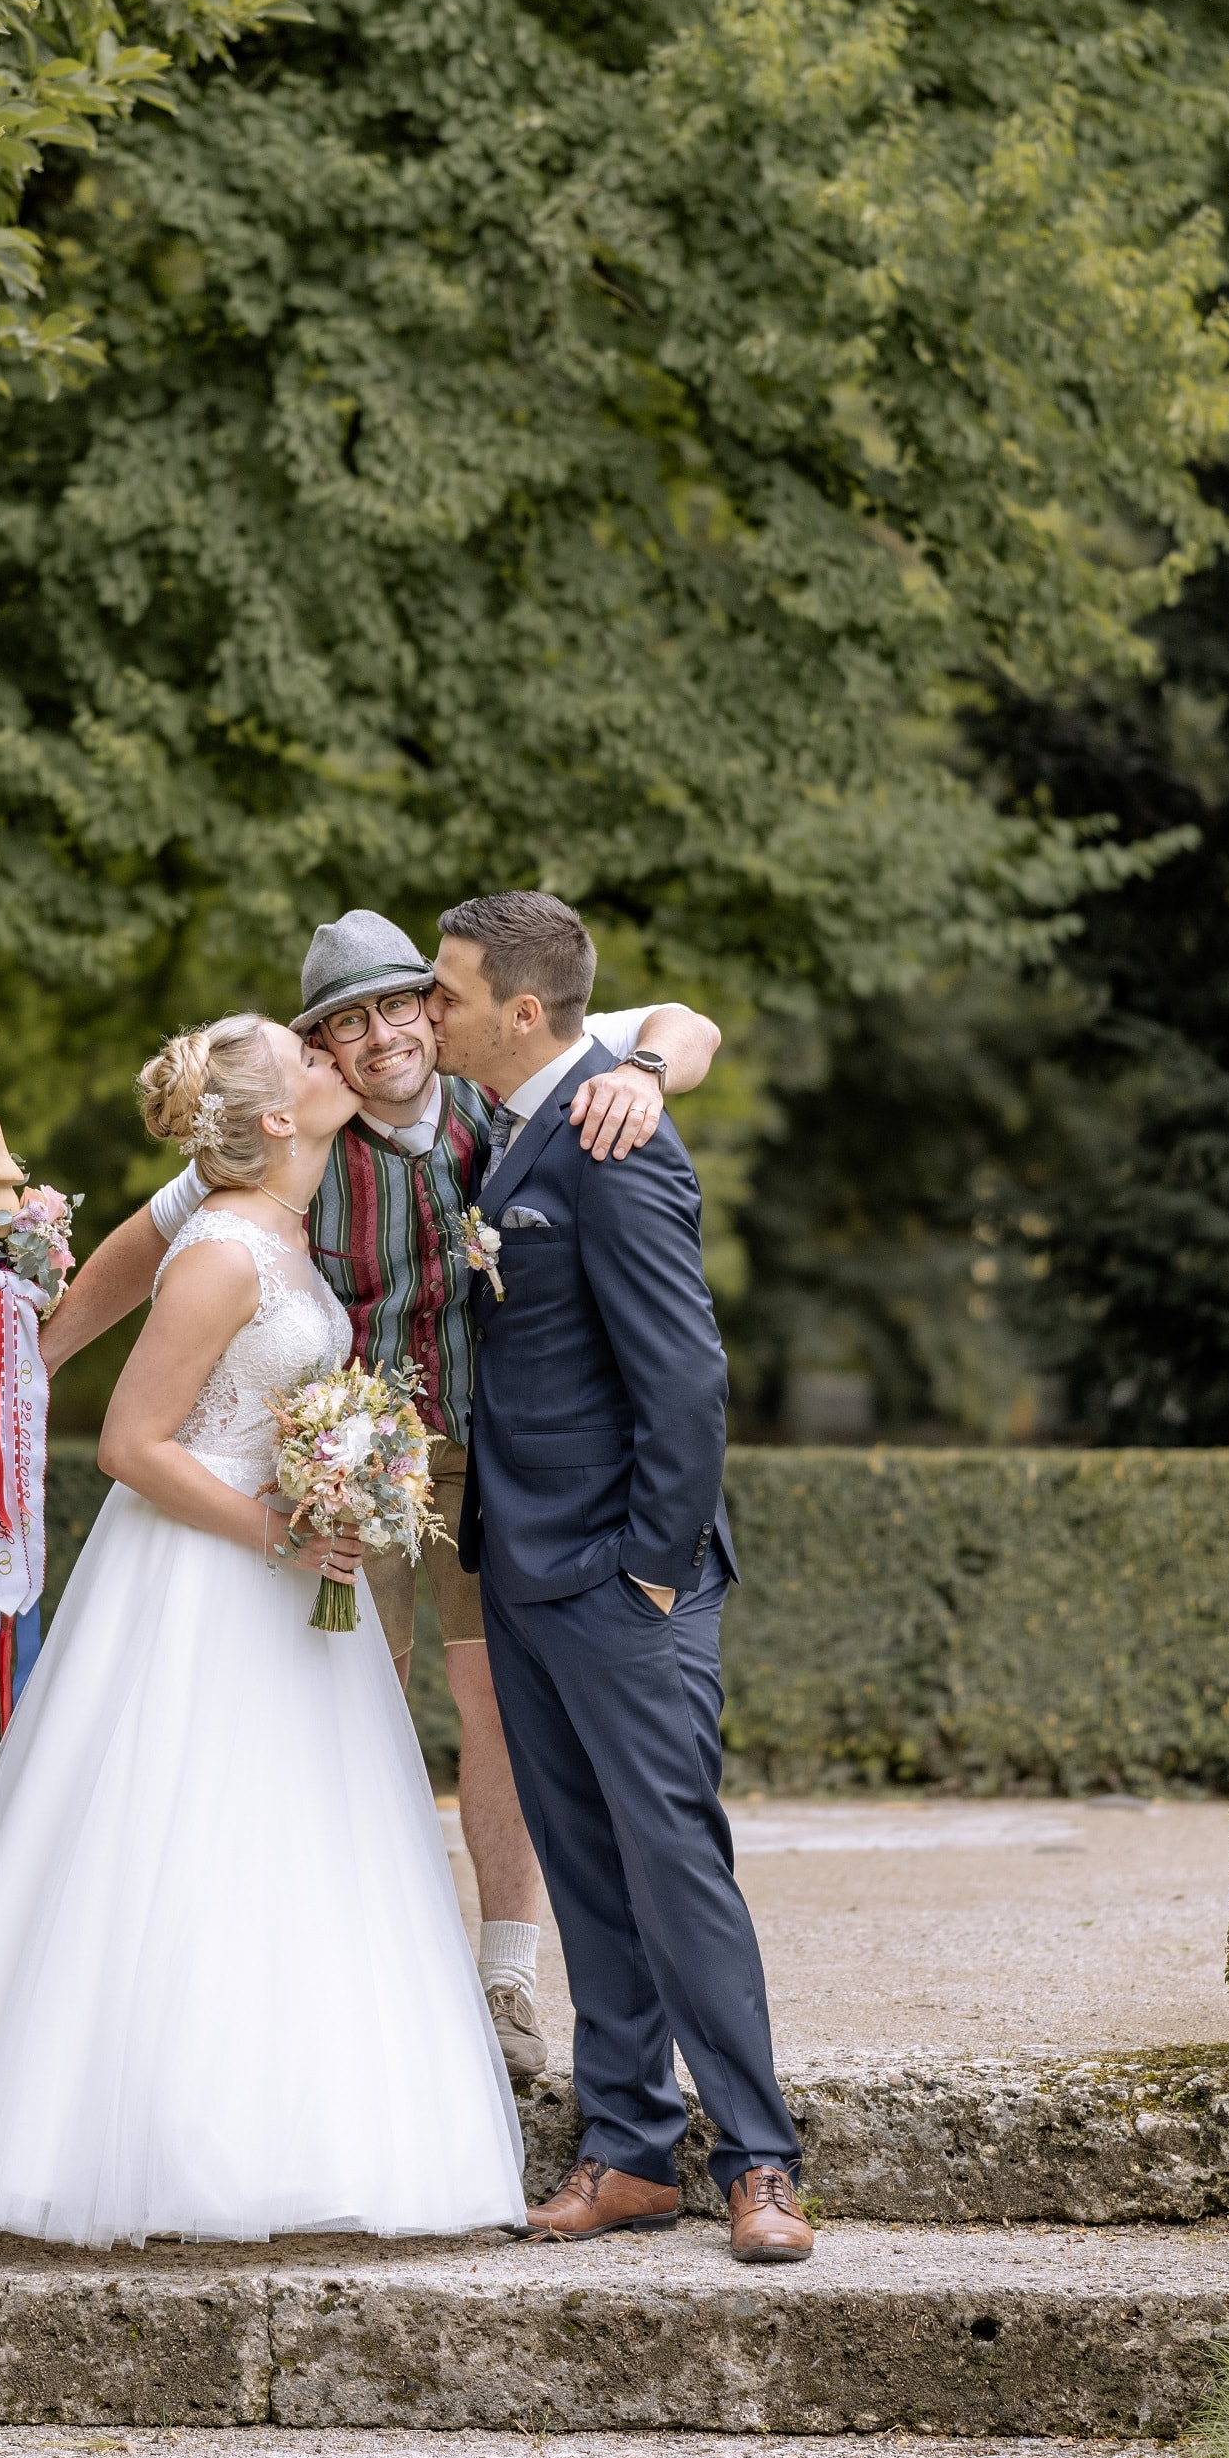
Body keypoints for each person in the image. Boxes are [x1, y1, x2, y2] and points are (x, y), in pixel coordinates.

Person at [0, 1013, 525, 2245]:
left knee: (298, 1843)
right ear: (275, 1118)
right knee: (180, 1835)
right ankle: (150, 2139)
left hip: (290, 1576)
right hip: (205, 1580)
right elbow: (129, 1445)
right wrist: (277, 1529)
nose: (338, 1061)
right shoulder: (220, 1252)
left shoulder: (284, 1226)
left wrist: (341, 1484)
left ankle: (302, 2124)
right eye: (313, 1059)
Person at [40, 912, 721, 2082]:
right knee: (347, 1710)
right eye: (341, 1024)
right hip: (335, 1466)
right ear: (324, 1050)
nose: (377, 1036)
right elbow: (145, 1244)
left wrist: (646, 1076)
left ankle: (506, 1977)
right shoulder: (294, 1132)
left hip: (484, 1464)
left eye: (394, 1004)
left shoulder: (510, 1088)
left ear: (434, 1007)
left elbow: (687, 1021)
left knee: (497, 1707)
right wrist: (25, 1367)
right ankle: (351, 1972)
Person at [429, 891, 810, 2267]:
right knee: (587, 1870)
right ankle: (632, 2149)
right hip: (519, 1573)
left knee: (673, 1866)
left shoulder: (613, 1140)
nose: (432, 1010)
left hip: (618, 1577)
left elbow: (689, 1382)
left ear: (522, 1011)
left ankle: (761, 2161)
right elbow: (664, 1024)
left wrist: (652, 1572)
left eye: (449, 992)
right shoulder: (523, 1119)